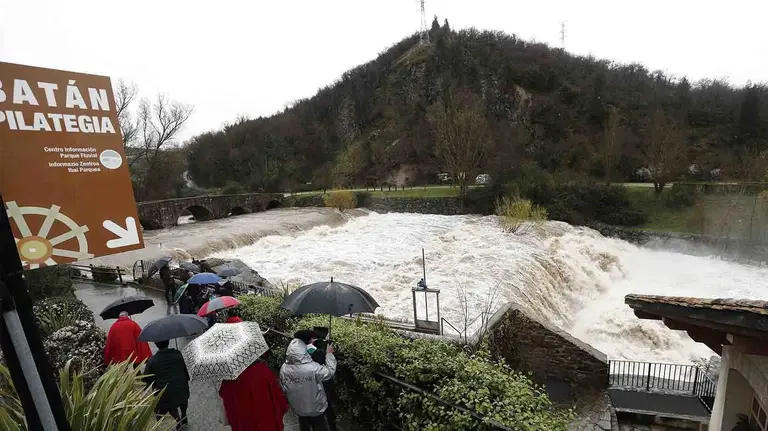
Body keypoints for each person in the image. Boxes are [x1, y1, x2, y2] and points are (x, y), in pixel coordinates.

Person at [280, 330, 336, 431]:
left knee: (304, 427)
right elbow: (329, 372)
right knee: (320, 427)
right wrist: (329, 355)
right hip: (316, 409)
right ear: (310, 341)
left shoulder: (284, 367)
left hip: (299, 408)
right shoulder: (312, 368)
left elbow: (284, 387)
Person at [219, 351, 289, 431]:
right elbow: (277, 395)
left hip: (245, 420)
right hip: (267, 417)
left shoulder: (230, 378)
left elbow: (226, 396)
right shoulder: (263, 370)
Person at [144, 340, 190, 430]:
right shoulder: (178, 354)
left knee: (168, 403)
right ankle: (184, 415)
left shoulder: (152, 360)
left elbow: (147, 378)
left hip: (165, 392)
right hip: (182, 387)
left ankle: (178, 420)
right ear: (168, 342)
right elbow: (186, 370)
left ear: (156, 344)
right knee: (182, 400)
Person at [310, 327, 337, 431]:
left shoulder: (308, 351)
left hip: (312, 388)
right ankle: (332, 426)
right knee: (328, 408)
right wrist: (329, 354)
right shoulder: (320, 353)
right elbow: (329, 371)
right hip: (324, 386)